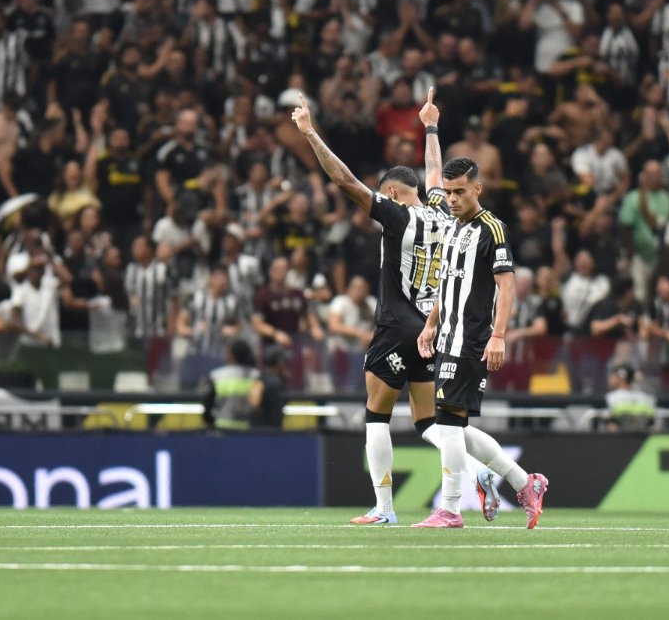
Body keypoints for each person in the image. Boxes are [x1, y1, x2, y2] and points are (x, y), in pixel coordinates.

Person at [293, 88, 450, 526]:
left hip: (397, 323)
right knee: (427, 423)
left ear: (395, 194)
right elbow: (435, 169)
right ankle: (478, 470)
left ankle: (384, 509)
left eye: (383, 195)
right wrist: (431, 125)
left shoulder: (398, 215)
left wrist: (310, 134)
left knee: (375, 415)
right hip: (429, 330)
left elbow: (344, 179)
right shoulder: (441, 209)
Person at [414, 155, 549, 529]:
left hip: (472, 340)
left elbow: (506, 285)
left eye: (460, 192)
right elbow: (449, 284)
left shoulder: (493, 229)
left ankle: (452, 509)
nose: (453, 199)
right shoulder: (454, 228)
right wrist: (430, 324)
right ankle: (525, 482)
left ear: (478, 189)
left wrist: (499, 335)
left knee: (449, 424)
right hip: (446, 337)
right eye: (449, 192)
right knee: (451, 424)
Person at [202, 339, 264, 431]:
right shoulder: (256, 376)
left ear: (231, 355)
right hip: (248, 430)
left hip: (221, 428)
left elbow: (207, 404)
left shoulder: (217, 376)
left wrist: (210, 424)